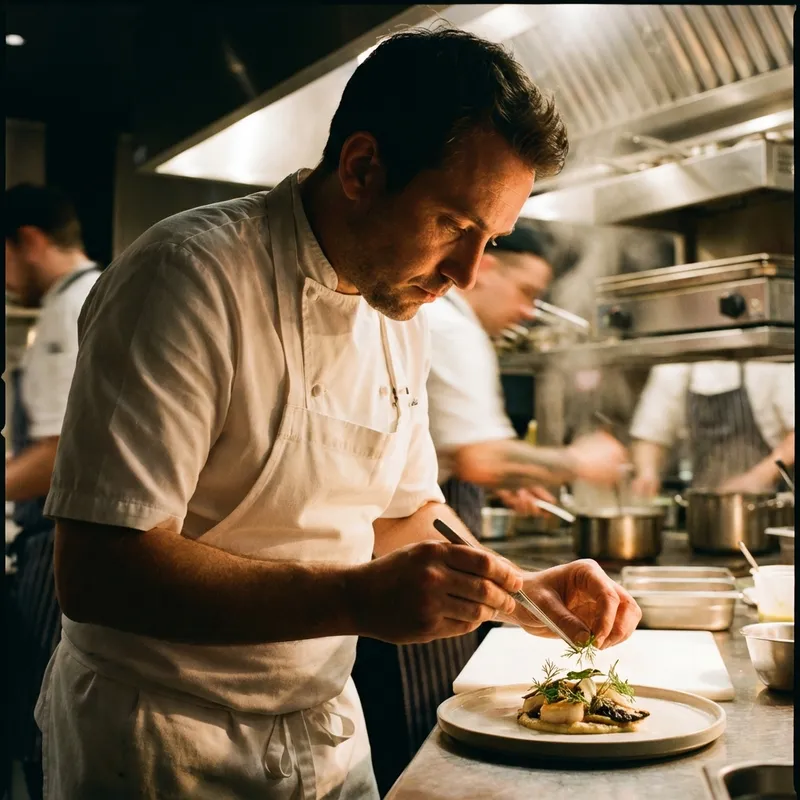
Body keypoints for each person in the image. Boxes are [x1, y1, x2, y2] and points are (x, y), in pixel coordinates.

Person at [38, 28, 641, 799]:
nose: (465, 273)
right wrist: (356, 599)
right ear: (362, 168)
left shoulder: (403, 312)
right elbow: (98, 570)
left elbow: (402, 514)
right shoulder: (188, 276)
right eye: (455, 225)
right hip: (164, 743)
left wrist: (523, 595)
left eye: (489, 240)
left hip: (325, 733)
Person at [426, 226, 629, 536]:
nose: (529, 312)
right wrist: (580, 461)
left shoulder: (438, 317)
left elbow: (451, 450)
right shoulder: (454, 330)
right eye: (527, 292)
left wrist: (507, 480)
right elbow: (481, 459)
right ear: (484, 269)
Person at [4, 183, 100, 798]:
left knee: (45, 726)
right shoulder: (96, 290)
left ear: (29, 242)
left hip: (59, 541)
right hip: (73, 537)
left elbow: (61, 448)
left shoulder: (70, 308)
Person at [630, 360, 795, 496]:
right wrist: (647, 472)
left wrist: (757, 478)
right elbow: (651, 433)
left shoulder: (771, 361)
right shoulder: (676, 366)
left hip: (768, 501)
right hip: (703, 502)